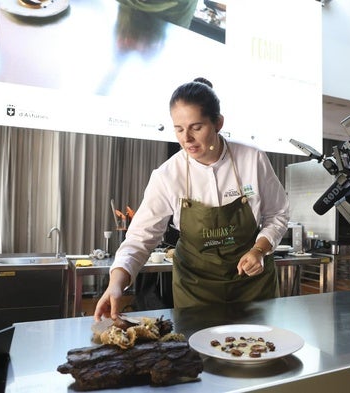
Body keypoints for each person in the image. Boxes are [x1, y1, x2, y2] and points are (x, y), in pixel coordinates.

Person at [94, 77, 289, 318]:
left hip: (252, 286)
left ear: (218, 123)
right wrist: (116, 284)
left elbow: (278, 214)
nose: (186, 138)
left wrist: (259, 250)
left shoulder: (252, 160)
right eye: (178, 128)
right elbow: (140, 238)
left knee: (258, 351)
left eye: (196, 127)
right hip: (196, 290)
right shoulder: (167, 175)